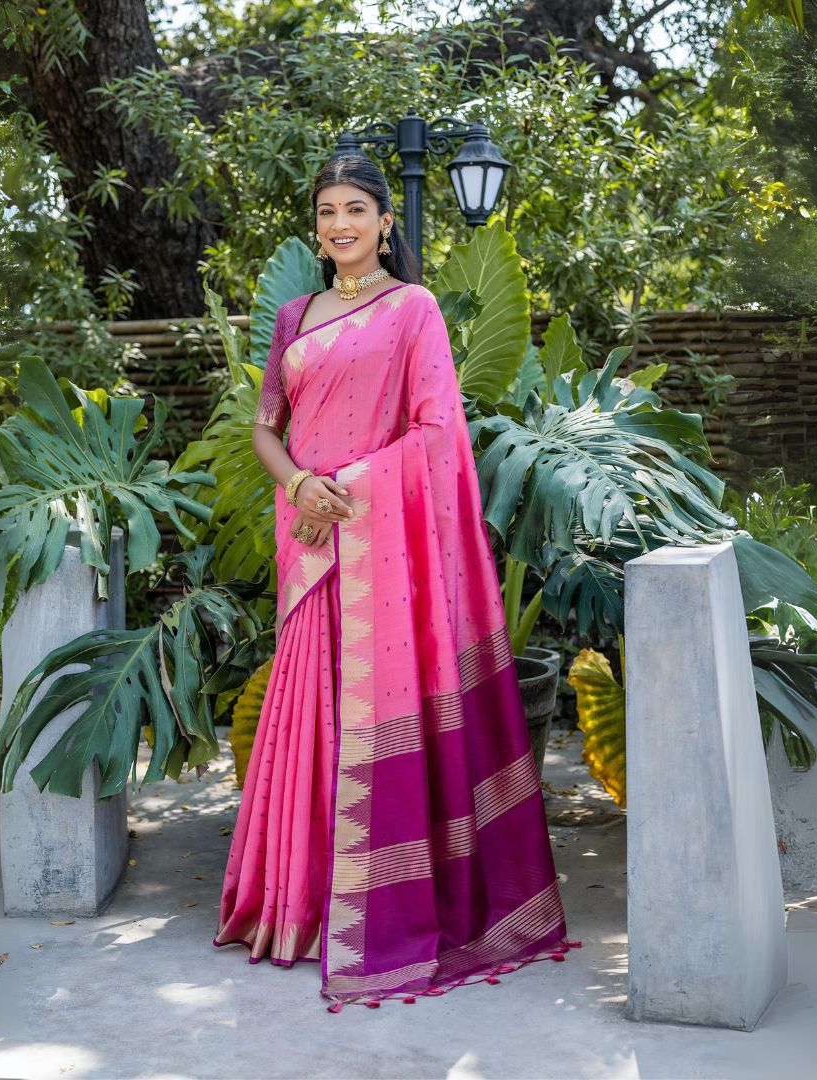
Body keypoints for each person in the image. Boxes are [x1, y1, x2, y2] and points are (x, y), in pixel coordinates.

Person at [213, 154, 579, 1010]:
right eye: (326, 212)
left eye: (356, 210)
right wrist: (301, 484)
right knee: (310, 715)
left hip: (374, 541)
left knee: (377, 712)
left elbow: (438, 432)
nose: (340, 224)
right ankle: (295, 908)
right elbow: (268, 426)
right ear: (316, 227)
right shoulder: (296, 315)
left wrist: (350, 489)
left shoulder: (412, 311)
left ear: (385, 223)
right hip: (311, 544)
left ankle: (382, 909)